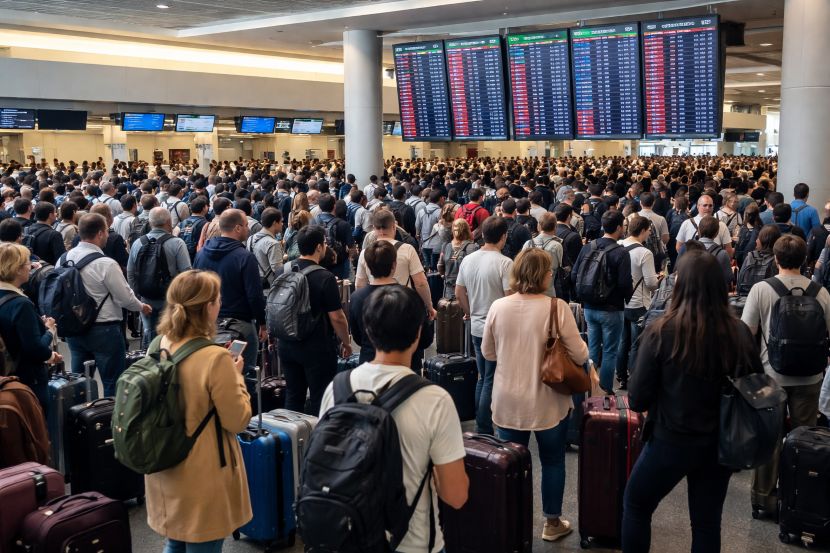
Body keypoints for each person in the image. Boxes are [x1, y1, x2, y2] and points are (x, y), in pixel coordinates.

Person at [623, 250, 764, 553]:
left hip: (670, 439)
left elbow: (636, 397)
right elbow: (755, 385)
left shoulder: (662, 331)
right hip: (720, 442)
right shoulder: (738, 332)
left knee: (636, 504)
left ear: (679, 285)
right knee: (706, 522)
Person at [318, 284, 468, 552]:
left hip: (347, 534)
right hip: (412, 541)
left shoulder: (337, 388)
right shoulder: (434, 400)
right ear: (418, 333)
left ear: (366, 329)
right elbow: (456, 496)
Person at [482, 248, 587, 542]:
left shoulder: (498, 307)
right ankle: (552, 523)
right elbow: (580, 353)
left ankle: (511, 522)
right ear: (543, 275)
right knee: (552, 460)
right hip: (547, 401)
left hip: (507, 399)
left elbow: (488, 352)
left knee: (510, 465)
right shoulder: (556, 307)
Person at [145, 269, 253, 553]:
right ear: (208, 307)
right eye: (217, 300)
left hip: (164, 460)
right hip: (203, 469)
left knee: (176, 540)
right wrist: (237, 376)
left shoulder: (159, 345)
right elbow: (238, 419)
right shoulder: (215, 358)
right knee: (203, 543)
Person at [741, 234, 830, 517]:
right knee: (805, 440)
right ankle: (799, 498)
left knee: (769, 439)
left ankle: (763, 500)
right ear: (805, 260)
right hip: (810, 378)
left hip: (771, 376)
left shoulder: (762, 290)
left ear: (776, 259)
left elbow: (748, 333)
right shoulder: (821, 293)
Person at [60, 213, 151, 396]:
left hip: (74, 327)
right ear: (100, 233)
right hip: (104, 328)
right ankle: (109, 419)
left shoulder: (63, 259)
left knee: (79, 381)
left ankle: (81, 417)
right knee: (112, 381)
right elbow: (124, 298)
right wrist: (141, 307)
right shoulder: (105, 264)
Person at [278, 225, 351, 415]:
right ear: (319, 247)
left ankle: (292, 439)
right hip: (316, 346)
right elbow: (337, 317)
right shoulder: (325, 277)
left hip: (286, 341)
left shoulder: (283, 270)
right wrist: (346, 341)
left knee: (293, 395)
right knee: (321, 397)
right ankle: (320, 439)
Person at [455, 216, 513, 435]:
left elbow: (459, 291)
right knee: (491, 377)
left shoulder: (468, 259)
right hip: (498, 329)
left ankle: (482, 423)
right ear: (503, 237)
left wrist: (469, 311)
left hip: (477, 326)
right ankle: (485, 425)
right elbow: (510, 297)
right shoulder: (505, 263)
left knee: (483, 376)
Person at [194, 209, 266, 377]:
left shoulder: (202, 253)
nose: (249, 229)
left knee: (215, 374)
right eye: (247, 225)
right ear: (238, 228)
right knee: (244, 374)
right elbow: (254, 295)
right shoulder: (245, 257)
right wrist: (262, 323)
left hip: (209, 323)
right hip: (240, 326)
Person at [571, 210, 634, 393]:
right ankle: (605, 389)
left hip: (589, 306)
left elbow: (575, 274)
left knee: (592, 349)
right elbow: (624, 283)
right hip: (612, 308)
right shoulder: (621, 253)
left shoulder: (588, 247)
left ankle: (589, 386)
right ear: (619, 228)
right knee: (610, 350)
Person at [0, 242, 62, 411]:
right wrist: (49, 329)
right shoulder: (21, 304)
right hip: (28, 378)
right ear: (17, 269)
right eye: (28, 263)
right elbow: (35, 349)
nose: (31, 267)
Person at [127, 207, 191, 347]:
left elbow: (131, 273)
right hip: (170, 298)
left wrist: (137, 296)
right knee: (170, 332)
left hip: (146, 297)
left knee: (149, 330)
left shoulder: (138, 243)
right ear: (168, 222)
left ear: (150, 223)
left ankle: (148, 359)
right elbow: (186, 273)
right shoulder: (177, 243)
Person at [356, 210, 436, 319]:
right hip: (403, 305)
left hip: (375, 306)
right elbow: (421, 282)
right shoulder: (407, 249)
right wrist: (429, 306)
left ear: (374, 228)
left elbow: (360, 284)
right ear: (394, 226)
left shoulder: (365, 253)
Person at [615, 215, 660, 390]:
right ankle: (634, 377)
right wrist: (658, 280)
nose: (649, 233)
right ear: (642, 230)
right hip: (638, 303)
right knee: (636, 343)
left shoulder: (618, 245)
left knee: (622, 341)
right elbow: (650, 283)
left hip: (620, 302)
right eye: (648, 230)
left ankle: (620, 376)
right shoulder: (645, 253)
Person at [349, 241, 399, 364]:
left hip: (369, 359)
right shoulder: (408, 296)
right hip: (402, 363)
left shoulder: (357, 298)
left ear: (367, 266)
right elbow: (424, 338)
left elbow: (357, 336)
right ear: (394, 265)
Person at [521, 212, 563, 298]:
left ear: (538, 226)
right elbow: (559, 266)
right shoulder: (557, 246)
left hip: (528, 290)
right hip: (548, 290)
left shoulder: (528, 243)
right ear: (555, 227)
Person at [316, 193, 355, 280]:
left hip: (319, 261)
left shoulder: (313, 222)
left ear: (319, 207)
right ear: (334, 206)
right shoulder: (343, 224)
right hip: (340, 263)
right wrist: (352, 259)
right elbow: (351, 247)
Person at [437, 218, 478, 300]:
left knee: (450, 310)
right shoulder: (473, 247)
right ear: (467, 230)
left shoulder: (446, 246)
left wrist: (444, 275)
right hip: (467, 290)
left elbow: (440, 266)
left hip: (449, 289)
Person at [246, 207, 283, 289]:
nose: (282, 224)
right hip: (269, 288)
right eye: (281, 221)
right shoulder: (273, 244)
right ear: (274, 223)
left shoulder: (251, 238)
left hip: (254, 283)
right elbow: (278, 270)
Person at [698, 216, 734, 288]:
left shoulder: (686, 248)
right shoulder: (722, 254)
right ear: (717, 233)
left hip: (691, 295)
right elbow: (728, 278)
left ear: (698, 230)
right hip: (714, 295)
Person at [416, 189, 444, 271]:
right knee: (437, 270)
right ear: (440, 198)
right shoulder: (440, 213)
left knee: (428, 269)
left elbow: (417, 229)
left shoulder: (421, 212)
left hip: (424, 244)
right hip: (438, 246)